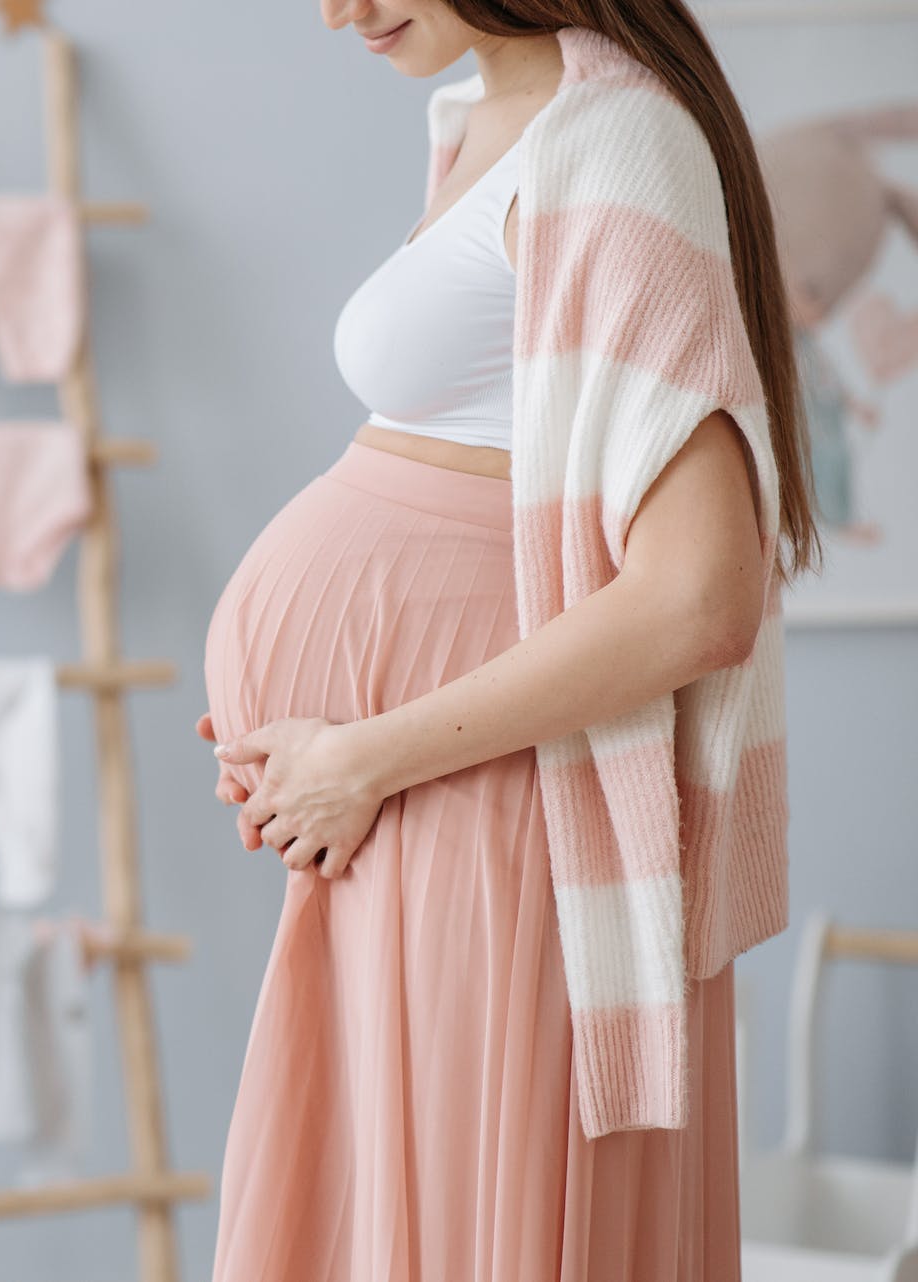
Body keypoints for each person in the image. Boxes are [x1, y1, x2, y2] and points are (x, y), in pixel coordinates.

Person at [199, 6, 824, 1280]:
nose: (340, 11)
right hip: (414, 810)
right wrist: (316, 749)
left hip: (498, 813)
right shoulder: (485, 120)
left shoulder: (621, 140)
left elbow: (700, 594)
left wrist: (364, 751)